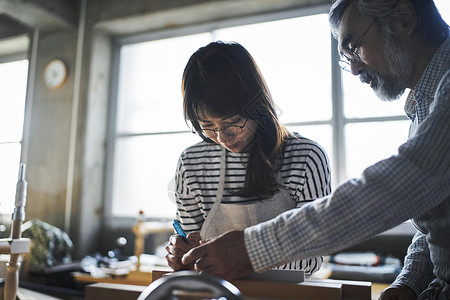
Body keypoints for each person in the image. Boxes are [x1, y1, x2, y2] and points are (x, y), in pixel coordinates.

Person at [182, 1, 450, 299]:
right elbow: (437, 222)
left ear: (404, 17)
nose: (356, 67)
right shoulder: (424, 104)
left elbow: (400, 186)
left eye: (355, 47)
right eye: (208, 127)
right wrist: (409, 283)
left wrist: (249, 248)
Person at [165, 41, 332, 276]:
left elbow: (313, 255)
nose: (222, 137)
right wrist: (181, 255)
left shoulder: (305, 157)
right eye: (207, 127)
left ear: (257, 105)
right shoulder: (192, 163)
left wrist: (246, 258)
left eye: (232, 123)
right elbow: (190, 254)